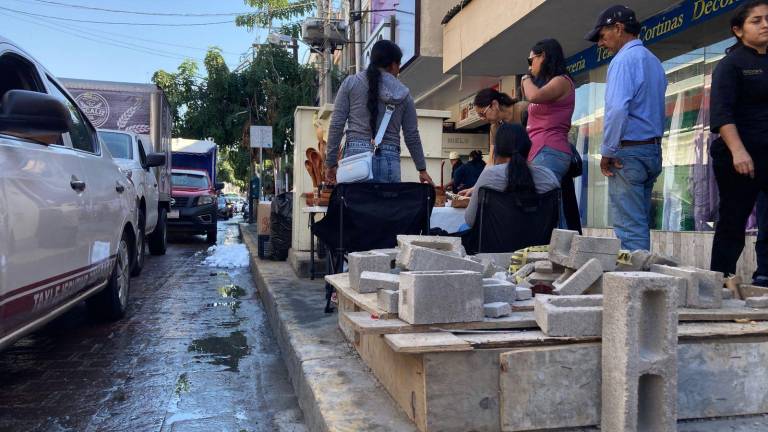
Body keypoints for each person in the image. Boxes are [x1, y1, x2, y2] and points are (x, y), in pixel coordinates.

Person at [585, 5, 667, 251]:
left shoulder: (622, 60)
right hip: (652, 150)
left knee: (630, 229)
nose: (601, 43)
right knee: (638, 222)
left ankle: (637, 274)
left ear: (619, 28)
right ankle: (643, 270)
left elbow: (617, 110)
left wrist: (608, 151)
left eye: (602, 36)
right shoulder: (653, 61)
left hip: (628, 153)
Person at [708, 0, 768, 277]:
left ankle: (764, 276)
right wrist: (738, 151)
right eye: (756, 20)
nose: (765, 24)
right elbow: (722, 115)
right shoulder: (730, 65)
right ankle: (719, 281)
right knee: (733, 221)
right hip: (738, 157)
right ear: (738, 30)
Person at [324, 39, 433, 185]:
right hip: (390, 159)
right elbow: (411, 135)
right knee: (388, 201)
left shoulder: (350, 83)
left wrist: (331, 163)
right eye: (399, 65)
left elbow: (336, 124)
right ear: (393, 65)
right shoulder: (404, 94)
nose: (399, 70)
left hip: (355, 159)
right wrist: (422, 169)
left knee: (355, 201)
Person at [521, 38, 582, 232]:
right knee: (549, 208)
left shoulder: (561, 81)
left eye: (531, 60)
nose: (529, 66)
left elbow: (533, 96)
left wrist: (525, 79)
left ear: (543, 56)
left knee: (547, 210)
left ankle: (559, 247)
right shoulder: (549, 84)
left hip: (549, 149)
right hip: (540, 150)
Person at [465, 124, 560, 227]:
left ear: (498, 150)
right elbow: (554, 220)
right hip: (538, 237)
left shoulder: (489, 176)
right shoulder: (548, 176)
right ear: (528, 147)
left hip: (496, 237)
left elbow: (470, 220)